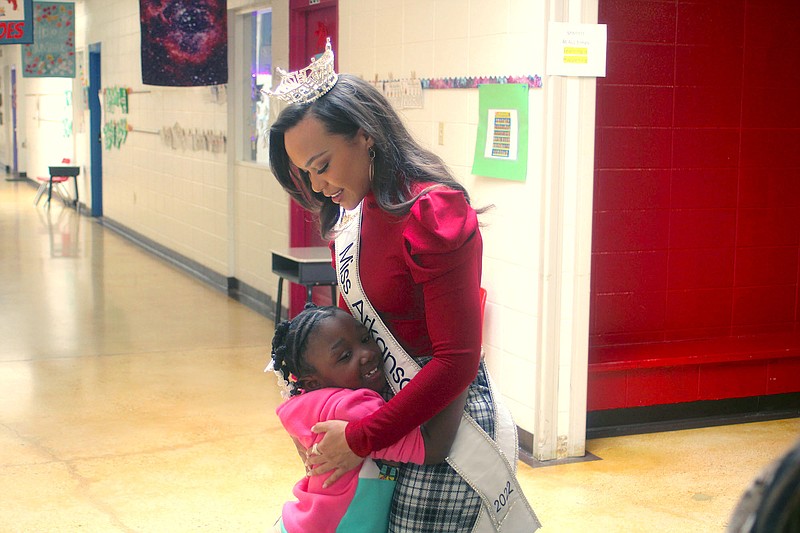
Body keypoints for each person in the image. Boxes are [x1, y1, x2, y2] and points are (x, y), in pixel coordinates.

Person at [267, 38, 539, 532]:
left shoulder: (433, 212)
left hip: (444, 425)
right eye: (307, 174)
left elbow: (456, 360)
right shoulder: (352, 216)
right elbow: (359, 326)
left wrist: (360, 437)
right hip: (387, 417)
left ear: (365, 135)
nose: (319, 186)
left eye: (323, 165)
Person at [268, 304, 464, 533]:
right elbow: (432, 448)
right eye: (345, 356)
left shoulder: (309, 402)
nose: (367, 354)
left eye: (365, 338)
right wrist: (458, 378)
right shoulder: (355, 409)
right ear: (313, 382)